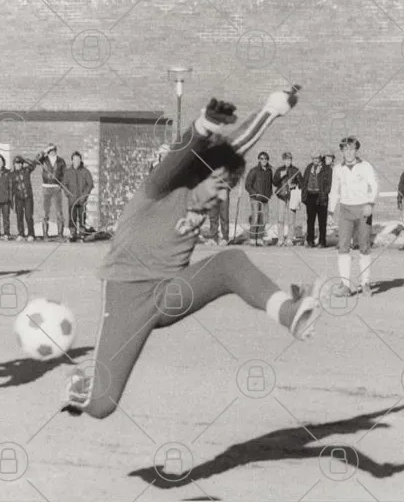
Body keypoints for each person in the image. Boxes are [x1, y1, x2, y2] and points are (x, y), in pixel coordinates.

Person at [61, 87, 324, 419]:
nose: (222, 196)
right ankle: (79, 385)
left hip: (171, 292)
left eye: (227, 189)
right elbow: (178, 157)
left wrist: (273, 109)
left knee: (230, 261)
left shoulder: (206, 193)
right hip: (127, 297)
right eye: (219, 186)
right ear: (200, 174)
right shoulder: (160, 188)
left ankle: (288, 313)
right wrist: (203, 126)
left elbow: (238, 145)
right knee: (102, 406)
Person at [327, 136, 378, 298]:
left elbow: (374, 185)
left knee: (364, 246)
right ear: (342, 151)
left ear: (356, 150)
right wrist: (330, 212)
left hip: (363, 209)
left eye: (351, 149)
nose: (348, 152)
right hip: (345, 211)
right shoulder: (337, 169)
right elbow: (334, 191)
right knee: (343, 247)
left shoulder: (365, 166)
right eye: (345, 149)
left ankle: (365, 283)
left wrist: (370, 203)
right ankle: (345, 285)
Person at [36, 143, 67, 241]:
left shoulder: (61, 161)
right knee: (45, 212)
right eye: (50, 150)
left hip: (56, 188)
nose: (52, 151)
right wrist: (44, 151)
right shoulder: (44, 159)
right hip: (46, 188)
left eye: (54, 149)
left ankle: (60, 234)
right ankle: (45, 235)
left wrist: (61, 185)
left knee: (59, 212)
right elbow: (36, 160)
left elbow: (64, 174)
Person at [302, 153, 332, 248]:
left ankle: (322, 241)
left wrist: (324, 194)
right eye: (313, 158)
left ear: (320, 159)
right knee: (310, 220)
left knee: (322, 221)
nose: (315, 160)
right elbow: (304, 181)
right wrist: (304, 196)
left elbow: (329, 184)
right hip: (310, 196)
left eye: (317, 158)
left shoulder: (326, 168)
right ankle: (310, 240)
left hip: (321, 196)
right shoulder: (309, 167)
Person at [272, 152, 303, 247]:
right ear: (283, 160)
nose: (288, 161)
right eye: (286, 159)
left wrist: (294, 184)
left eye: (289, 159)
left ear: (291, 160)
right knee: (280, 218)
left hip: (292, 197)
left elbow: (301, 184)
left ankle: (289, 239)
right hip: (281, 196)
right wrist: (280, 176)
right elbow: (274, 182)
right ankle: (280, 239)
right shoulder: (279, 170)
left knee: (291, 219)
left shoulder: (296, 170)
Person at [63, 151, 94, 242]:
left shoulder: (85, 172)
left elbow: (90, 184)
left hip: (82, 199)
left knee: (82, 216)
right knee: (72, 216)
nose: (76, 161)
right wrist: (68, 194)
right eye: (74, 159)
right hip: (72, 199)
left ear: (80, 160)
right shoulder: (68, 172)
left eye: (78, 159)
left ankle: (81, 233)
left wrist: (84, 196)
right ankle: (72, 233)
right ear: (72, 160)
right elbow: (64, 184)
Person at [245, 151, 273, 247]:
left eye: (265, 158)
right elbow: (247, 185)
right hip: (255, 199)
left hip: (265, 199)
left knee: (264, 219)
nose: (264, 160)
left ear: (267, 160)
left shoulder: (269, 171)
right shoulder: (254, 170)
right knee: (255, 218)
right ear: (259, 160)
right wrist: (254, 193)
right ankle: (253, 238)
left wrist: (269, 194)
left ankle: (260, 238)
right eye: (262, 158)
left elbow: (270, 184)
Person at [9, 156, 37, 242]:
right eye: (16, 163)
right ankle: (21, 234)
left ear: (22, 164)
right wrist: (11, 201)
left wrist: (25, 160)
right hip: (18, 198)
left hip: (28, 197)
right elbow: (11, 189)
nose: (18, 165)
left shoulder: (26, 170)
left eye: (19, 163)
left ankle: (31, 234)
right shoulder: (12, 174)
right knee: (19, 216)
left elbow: (33, 164)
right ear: (14, 164)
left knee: (28, 216)